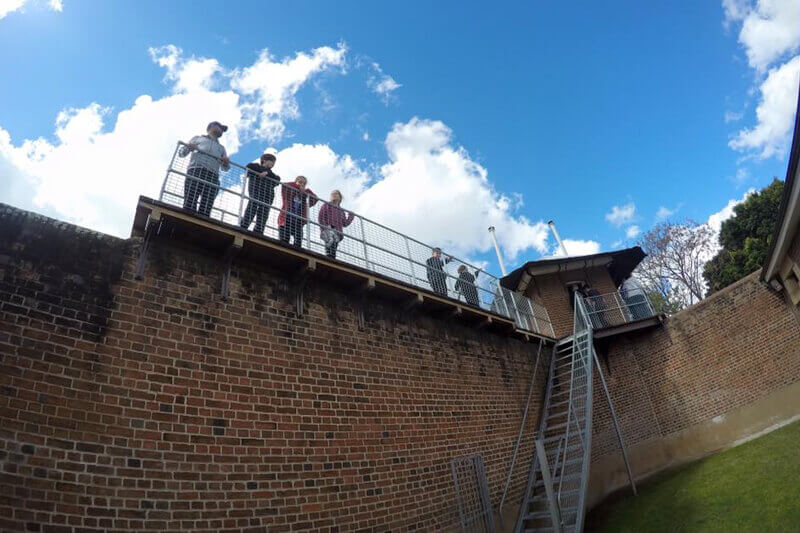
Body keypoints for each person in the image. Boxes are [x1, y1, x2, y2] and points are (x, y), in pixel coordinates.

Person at [179, 121, 230, 217]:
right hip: (195, 171)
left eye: (223, 130)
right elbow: (181, 153)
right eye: (220, 127)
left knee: (206, 207)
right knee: (189, 202)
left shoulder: (221, 148)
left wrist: (226, 163)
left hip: (213, 176)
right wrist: (188, 148)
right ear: (211, 127)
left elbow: (225, 168)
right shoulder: (197, 138)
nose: (221, 131)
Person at [240, 153, 280, 234]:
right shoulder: (255, 166)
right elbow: (248, 167)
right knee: (251, 209)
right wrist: (262, 171)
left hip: (268, 197)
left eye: (273, 163)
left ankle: (259, 231)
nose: (273, 164)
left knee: (264, 214)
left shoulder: (272, 174)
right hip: (256, 193)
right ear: (264, 160)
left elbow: (277, 180)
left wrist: (267, 173)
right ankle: (244, 226)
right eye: (271, 162)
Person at [278, 176, 317, 248]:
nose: (302, 184)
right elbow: (284, 185)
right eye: (300, 182)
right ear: (295, 181)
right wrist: (296, 186)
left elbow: (315, 199)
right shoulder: (290, 190)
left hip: (298, 222)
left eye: (304, 183)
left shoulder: (305, 196)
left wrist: (305, 191)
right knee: (284, 241)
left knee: (298, 244)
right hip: (286, 219)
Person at [318, 189, 355, 259]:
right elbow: (321, 216)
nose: (333, 195)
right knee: (329, 247)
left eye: (336, 194)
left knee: (334, 249)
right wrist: (323, 228)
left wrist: (351, 216)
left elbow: (345, 223)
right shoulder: (327, 204)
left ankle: (332, 259)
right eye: (332, 194)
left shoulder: (341, 210)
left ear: (340, 197)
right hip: (328, 228)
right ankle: (328, 259)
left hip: (338, 231)